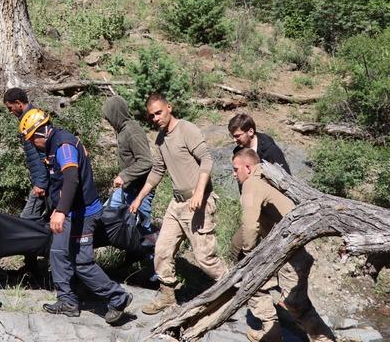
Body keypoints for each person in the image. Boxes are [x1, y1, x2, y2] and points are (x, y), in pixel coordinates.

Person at [21, 108, 133, 325]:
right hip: (69, 212)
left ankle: (117, 297)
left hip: (83, 213)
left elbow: (72, 179)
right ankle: (67, 301)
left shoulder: (64, 146)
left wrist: (61, 212)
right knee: (57, 253)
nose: (32, 144)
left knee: (82, 262)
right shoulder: (55, 144)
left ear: (41, 132)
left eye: (32, 139)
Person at [129, 94, 227, 315]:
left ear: (169, 108)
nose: (155, 118)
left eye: (158, 113)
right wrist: (139, 198)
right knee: (162, 250)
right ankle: (167, 296)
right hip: (177, 203)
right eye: (151, 115)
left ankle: (232, 290)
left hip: (198, 202)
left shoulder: (186, 129)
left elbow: (207, 159)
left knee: (205, 257)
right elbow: (157, 171)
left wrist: (199, 192)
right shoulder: (160, 139)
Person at [231, 149, 335, 342]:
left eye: (236, 169)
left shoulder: (252, 183)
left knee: (295, 303)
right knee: (253, 282)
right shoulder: (269, 177)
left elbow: (249, 226)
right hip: (286, 249)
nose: (233, 174)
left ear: (248, 167)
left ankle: (324, 339)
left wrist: (248, 254)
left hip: (291, 253)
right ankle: (272, 331)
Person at [102, 95, 154, 232]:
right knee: (104, 215)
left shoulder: (132, 131)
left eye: (109, 117)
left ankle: (152, 244)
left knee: (142, 230)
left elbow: (146, 161)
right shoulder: (122, 130)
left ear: (115, 114)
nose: (108, 121)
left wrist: (124, 176)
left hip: (140, 190)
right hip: (127, 188)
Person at [3, 88, 51, 222]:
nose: (10, 111)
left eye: (10, 108)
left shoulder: (34, 120)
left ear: (18, 103)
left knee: (26, 219)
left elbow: (43, 154)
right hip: (42, 179)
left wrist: (41, 183)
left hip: (43, 181)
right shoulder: (28, 118)